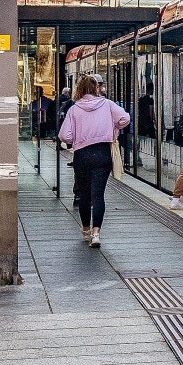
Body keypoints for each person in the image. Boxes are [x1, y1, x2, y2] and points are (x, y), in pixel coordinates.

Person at [58, 74, 130, 247]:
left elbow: (64, 135)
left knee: (84, 195)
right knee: (98, 195)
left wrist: (76, 139)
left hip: (82, 155)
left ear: (80, 89)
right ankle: (96, 234)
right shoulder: (107, 104)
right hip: (103, 153)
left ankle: (85, 229)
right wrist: (113, 127)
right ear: (96, 88)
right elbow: (125, 118)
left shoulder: (74, 109)